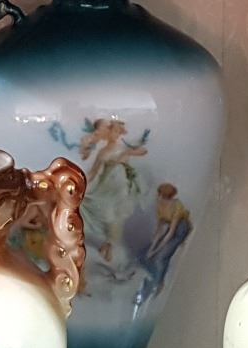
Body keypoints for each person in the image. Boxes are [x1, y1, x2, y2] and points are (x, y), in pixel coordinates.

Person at [78, 118, 150, 272]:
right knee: (102, 210)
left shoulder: (124, 147)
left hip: (120, 185)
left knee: (114, 213)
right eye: (112, 131)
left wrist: (128, 152)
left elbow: (143, 151)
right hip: (105, 185)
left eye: (117, 131)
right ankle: (106, 244)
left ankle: (110, 246)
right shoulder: (102, 152)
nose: (114, 134)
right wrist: (81, 183)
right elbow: (93, 172)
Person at [136, 183, 192, 305]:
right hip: (168, 230)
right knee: (145, 255)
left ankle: (159, 283)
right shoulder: (160, 206)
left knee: (160, 257)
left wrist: (155, 251)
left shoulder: (176, 206)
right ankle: (152, 278)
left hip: (180, 230)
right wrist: (151, 248)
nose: (158, 198)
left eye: (161, 195)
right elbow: (160, 229)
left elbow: (171, 233)